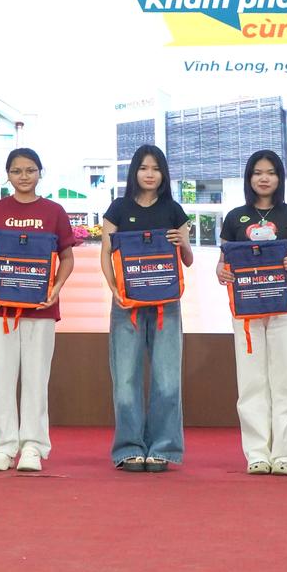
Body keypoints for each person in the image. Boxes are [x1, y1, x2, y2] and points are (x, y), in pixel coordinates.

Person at [0, 148, 76, 472]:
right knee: (2, 379)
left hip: (40, 309)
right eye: (17, 171)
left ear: (40, 172)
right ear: (8, 175)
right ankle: (2, 448)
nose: (24, 176)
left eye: (30, 170)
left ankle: (33, 447)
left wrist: (57, 287)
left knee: (36, 379)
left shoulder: (54, 212)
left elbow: (67, 257)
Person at [215, 150, 287, 476]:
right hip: (247, 308)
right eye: (257, 172)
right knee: (251, 381)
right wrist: (222, 272)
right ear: (249, 178)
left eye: (270, 172)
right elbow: (222, 264)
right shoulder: (234, 217)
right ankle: (257, 453)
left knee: (284, 381)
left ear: (279, 178)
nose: (264, 178)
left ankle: (285, 454)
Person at [100, 144, 193, 472]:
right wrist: (114, 289)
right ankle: (129, 448)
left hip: (167, 306)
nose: (149, 174)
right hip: (127, 305)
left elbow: (188, 260)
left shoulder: (174, 210)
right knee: (125, 380)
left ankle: (164, 449)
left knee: (167, 381)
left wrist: (183, 243)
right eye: (143, 168)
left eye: (155, 168)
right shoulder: (118, 208)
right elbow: (106, 254)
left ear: (163, 173)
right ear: (134, 172)